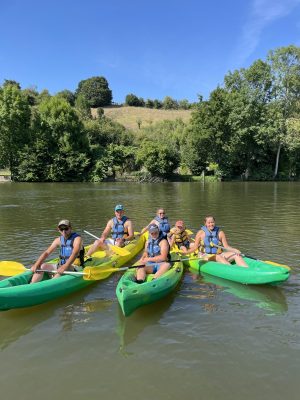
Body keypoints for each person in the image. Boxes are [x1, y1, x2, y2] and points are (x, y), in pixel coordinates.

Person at [181, 215, 248, 267]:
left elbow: (226, 246)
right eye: (209, 223)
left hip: (219, 254)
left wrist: (235, 250)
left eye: (212, 222)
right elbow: (195, 247)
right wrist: (186, 253)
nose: (211, 224)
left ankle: (247, 270)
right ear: (205, 224)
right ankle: (233, 270)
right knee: (218, 257)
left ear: (214, 222)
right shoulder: (200, 233)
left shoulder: (220, 233)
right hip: (205, 256)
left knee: (236, 255)